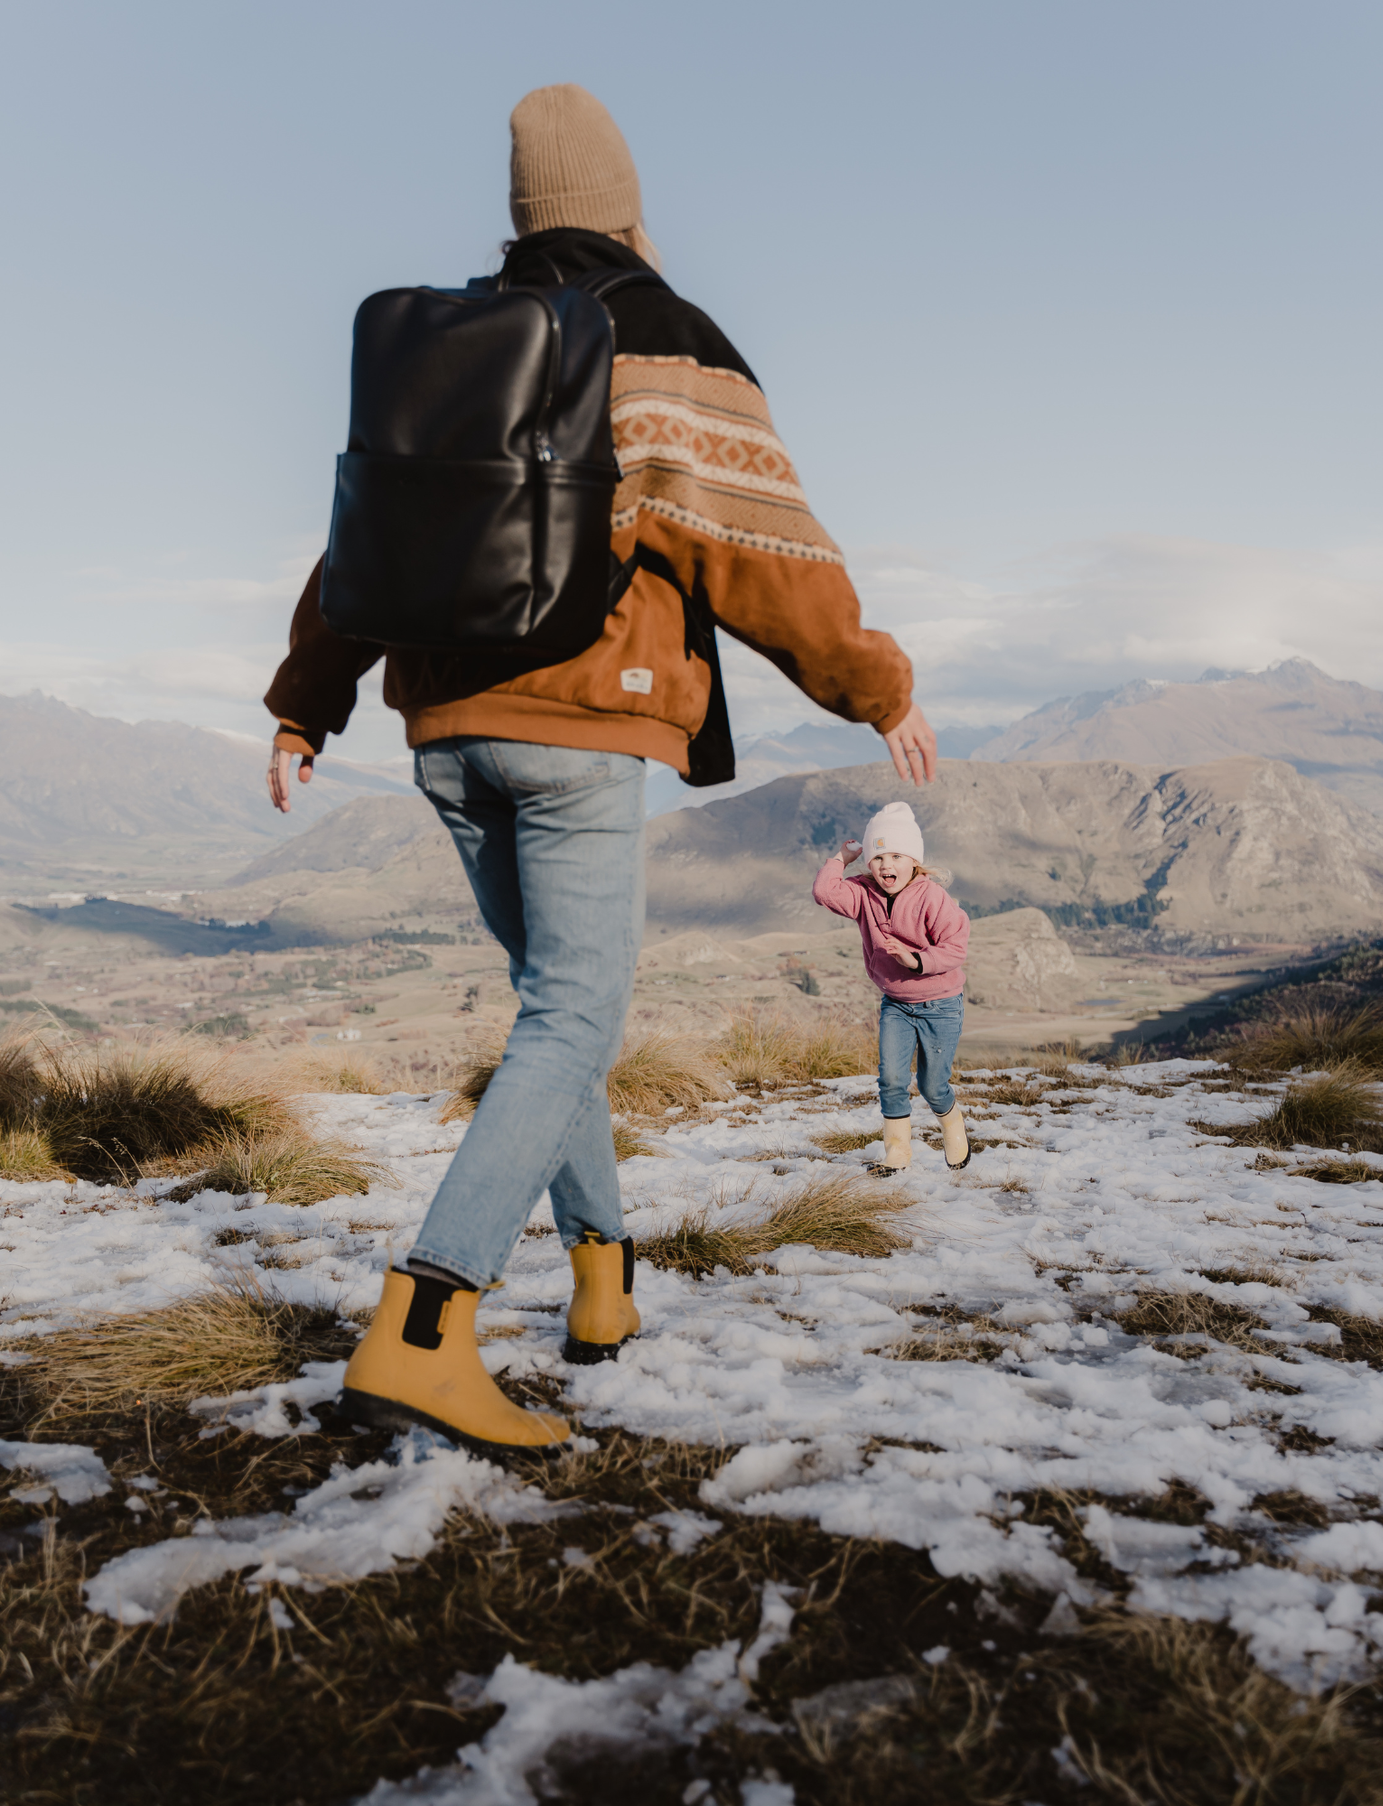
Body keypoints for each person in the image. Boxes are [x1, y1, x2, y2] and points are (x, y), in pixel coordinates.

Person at [264, 83, 938, 1459]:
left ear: (518, 212)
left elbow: (360, 540)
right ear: (627, 203)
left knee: (548, 1011)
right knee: (576, 1016)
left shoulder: (454, 347)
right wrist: (875, 685)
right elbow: (759, 550)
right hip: (581, 725)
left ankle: (601, 1286)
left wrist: (305, 700)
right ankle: (427, 1322)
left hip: (443, 731)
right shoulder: (658, 338)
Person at [812, 801, 970, 1176]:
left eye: (896, 855)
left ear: (913, 861)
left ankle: (952, 1124)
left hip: (941, 1004)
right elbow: (824, 892)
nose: (886, 865)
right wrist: (841, 857)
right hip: (896, 1004)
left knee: (932, 1086)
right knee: (892, 1079)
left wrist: (916, 960)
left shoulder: (932, 897)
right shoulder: (862, 893)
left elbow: (956, 947)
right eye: (878, 856)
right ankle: (897, 1154)